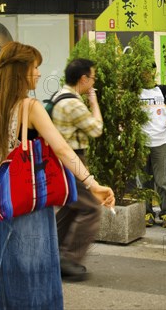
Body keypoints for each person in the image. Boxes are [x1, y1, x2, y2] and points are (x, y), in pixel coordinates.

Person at [0, 42, 114, 309]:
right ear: (21, 71)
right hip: (25, 202)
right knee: (34, 276)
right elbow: (61, 148)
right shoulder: (30, 107)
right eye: (35, 67)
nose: (39, 74)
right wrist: (92, 183)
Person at [52, 58, 104, 281]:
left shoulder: (59, 96)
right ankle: (69, 259)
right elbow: (96, 129)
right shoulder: (73, 103)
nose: (93, 82)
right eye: (92, 78)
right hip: (72, 160)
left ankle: (50, 253)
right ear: (83, 79)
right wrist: (93, 101)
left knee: (71, 208)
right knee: (92, 208)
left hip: (62, 161)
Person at [140, 62, 166, 228]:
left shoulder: (163, 90)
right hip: (142, 142)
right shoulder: (135, 92)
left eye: (149, 70)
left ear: (154, 71)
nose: (146, 73)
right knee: (144, 180)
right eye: (143, 70)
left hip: (160, 141)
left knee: (162, 179)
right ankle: (147, 212)